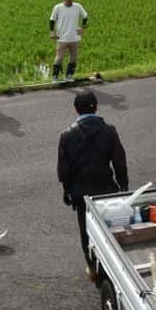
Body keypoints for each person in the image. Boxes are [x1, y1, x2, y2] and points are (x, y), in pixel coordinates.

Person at [57, 90, 129, 277]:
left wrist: (67, 190)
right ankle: (113, 263)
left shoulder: (67, 136)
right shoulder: (109, 131)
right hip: (106, 188)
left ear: (76, 110)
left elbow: (64, 170)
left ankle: (92, 267)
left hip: (81, 193)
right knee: (109, 225)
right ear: (97, 107)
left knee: (86, 229)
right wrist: (123, 185)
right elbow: (119, 161)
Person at [49, 0, 88, 80]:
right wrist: (52, 32)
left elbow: (85, 16)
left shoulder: (78, 6)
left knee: (73, 58)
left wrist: (82, 28)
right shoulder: (58, 7)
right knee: (59, 58)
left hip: (74, 38)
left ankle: (69, 76)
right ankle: (55, 77)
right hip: (62, 38)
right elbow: (52, 20)